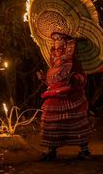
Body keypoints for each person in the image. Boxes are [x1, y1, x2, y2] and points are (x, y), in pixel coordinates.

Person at [37, 33, 91, 161]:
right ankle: (51, 151)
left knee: (75, 124)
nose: (56, 51)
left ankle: (85, 151)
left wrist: (75, 79)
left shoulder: (73, 63)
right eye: (54, 49)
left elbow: (82, 78)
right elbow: (52, 83)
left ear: (67, 49)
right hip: (53, 100)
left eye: (60, 49)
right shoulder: (53, 65)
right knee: (52, 125)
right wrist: (43, 78)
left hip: (70, 100)